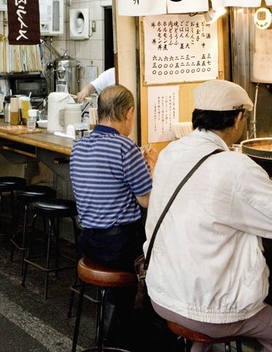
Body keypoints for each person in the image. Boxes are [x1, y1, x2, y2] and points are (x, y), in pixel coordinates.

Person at [146, 79, 272, 352]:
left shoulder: (171, 152)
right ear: (238, 119)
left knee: (203, 319)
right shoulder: (235, 167)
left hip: (161, 294)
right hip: (208, 310)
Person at [70, 84, 152, 349]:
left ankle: (113, 331)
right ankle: (127, 339)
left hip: (88, 241)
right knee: (161, 263)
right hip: (119, 247)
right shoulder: (125, 148)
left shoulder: (78, 147)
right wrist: (154, 167)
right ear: (128, 113)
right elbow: (146, 200)